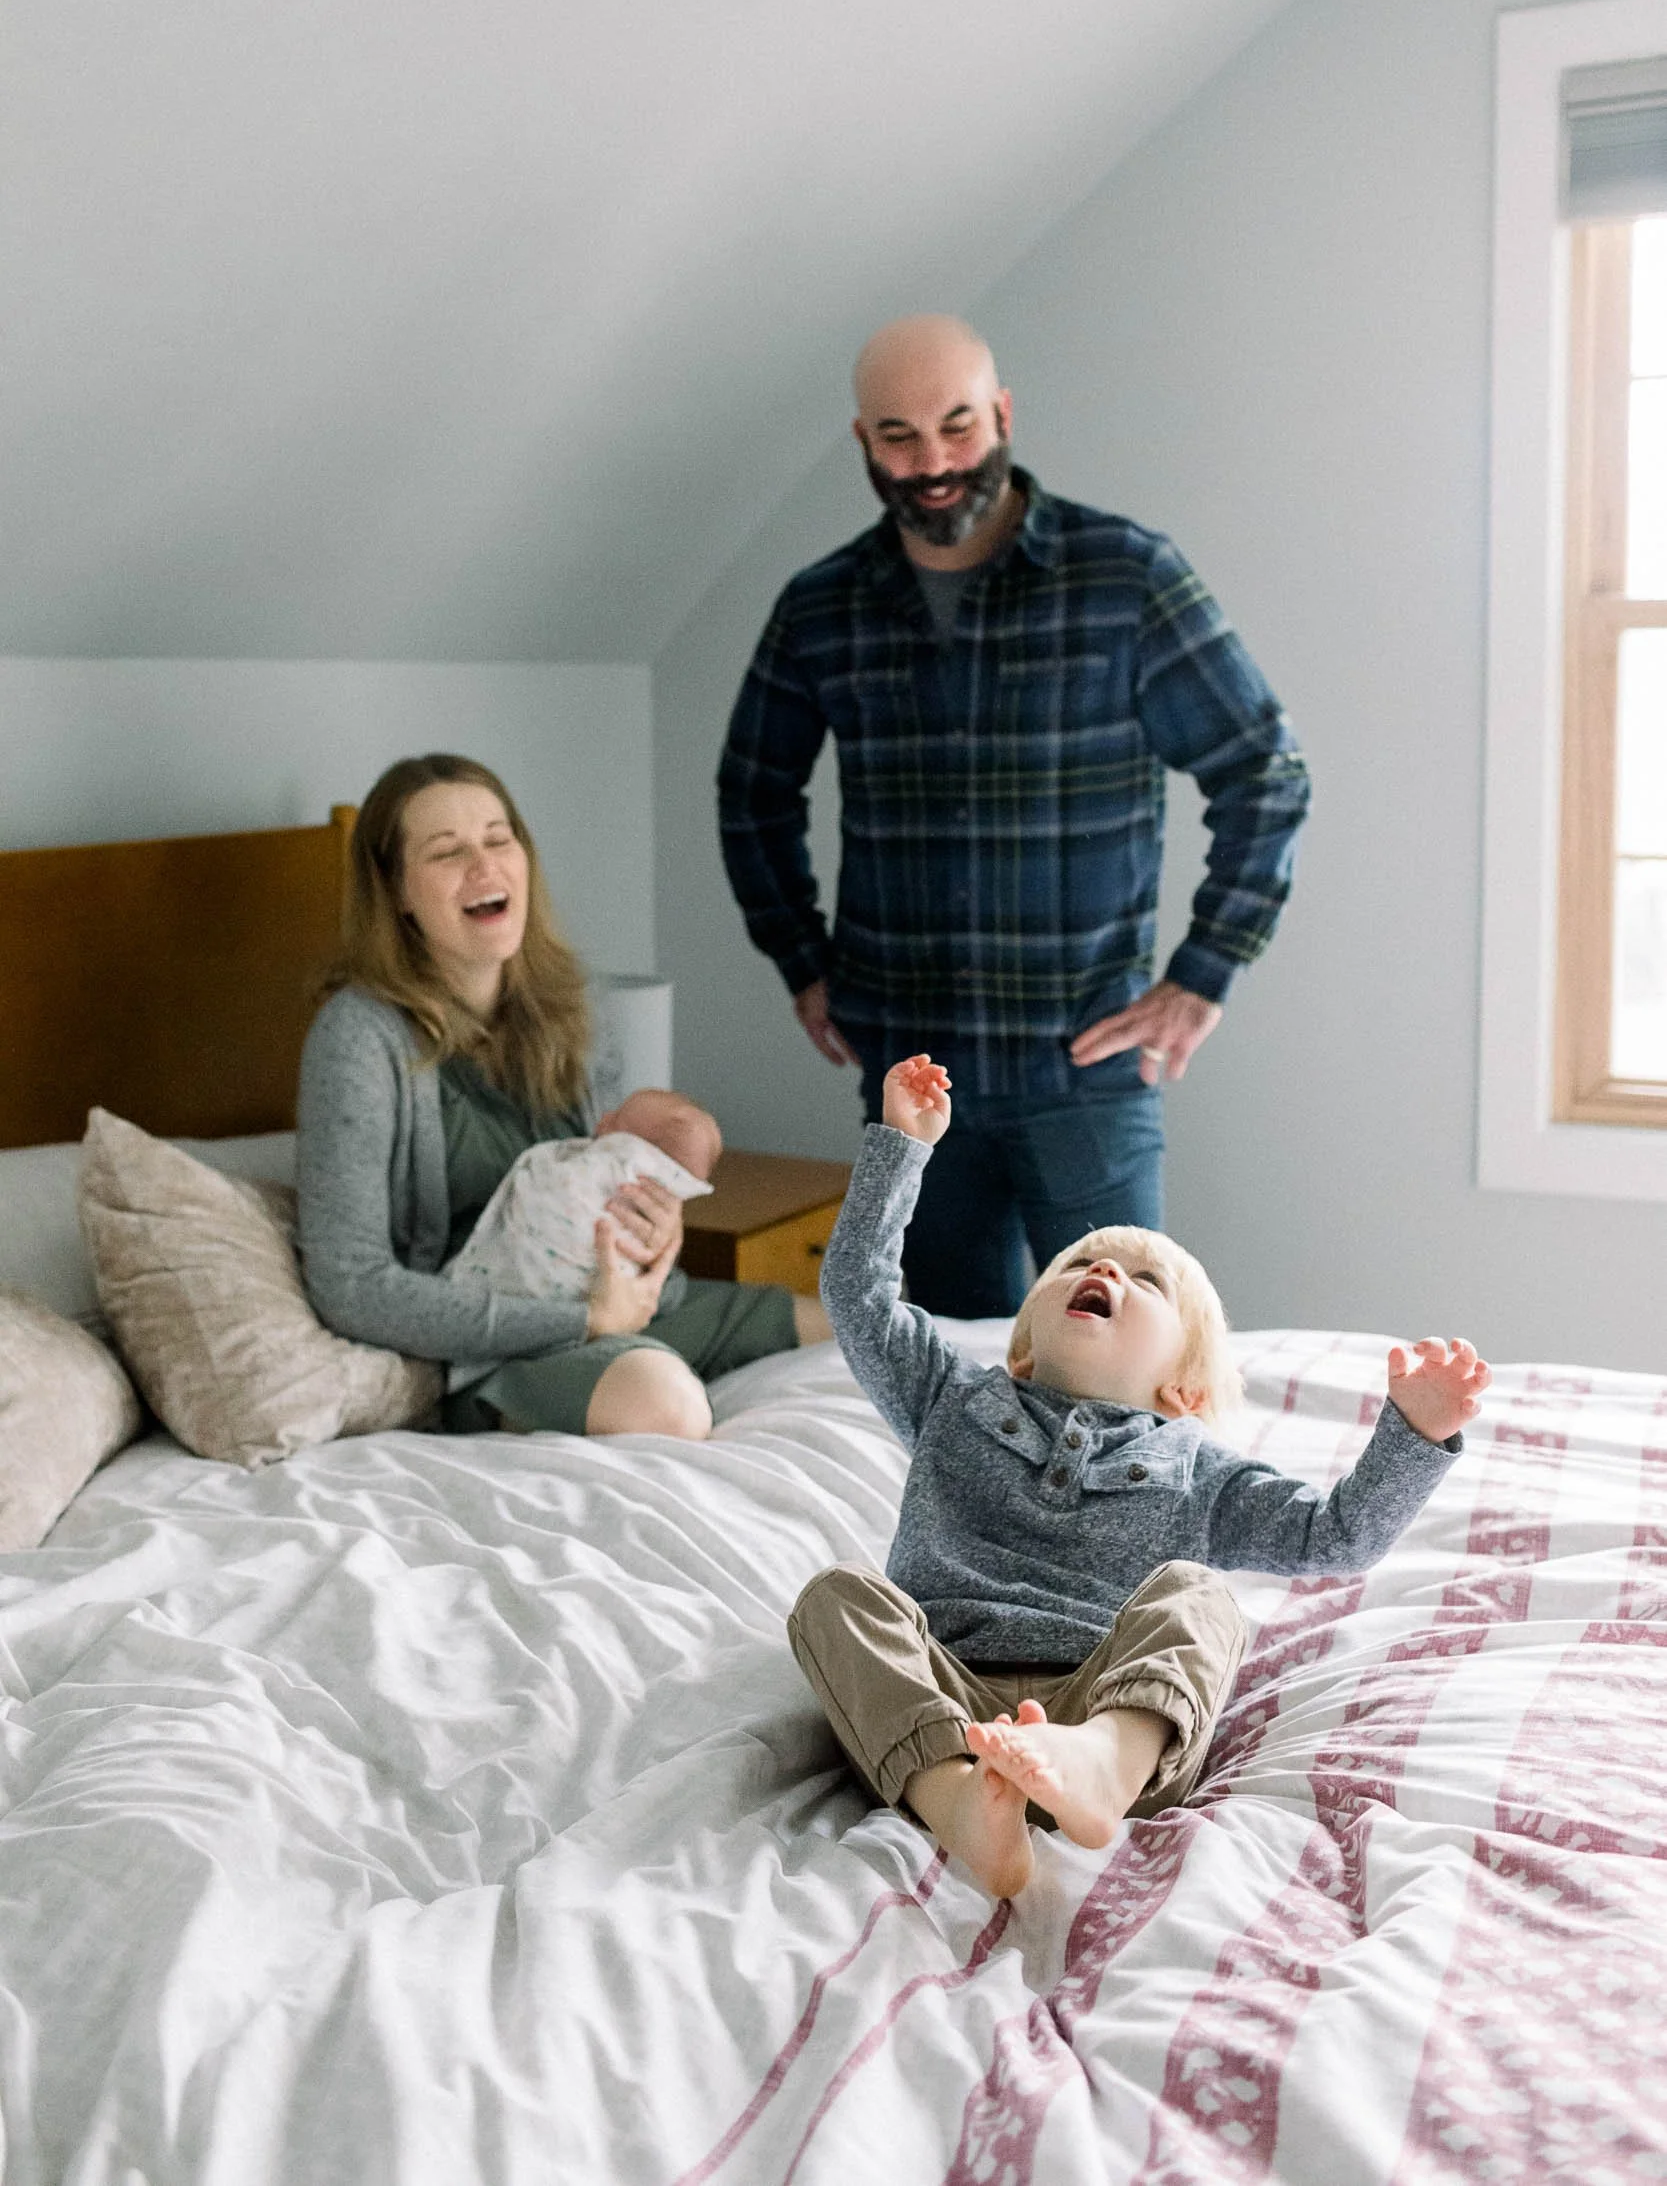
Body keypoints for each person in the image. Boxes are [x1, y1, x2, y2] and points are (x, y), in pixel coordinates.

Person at [718, 314, 1312, 1316]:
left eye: (956, 427)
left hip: (1082, 1073)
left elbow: (1262, 769)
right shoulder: (822, 606)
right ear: (862, 442)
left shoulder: (1124, 577)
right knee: (943, 1381)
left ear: (1000, 415)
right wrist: (800, 959)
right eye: (899, 437)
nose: (934, 463)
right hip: (909, 1084)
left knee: (1121, 1374)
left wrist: (1201, 976)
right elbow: (752, 790)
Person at [789, 1054, 1488, 1898]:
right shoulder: (951, 1398)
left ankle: (1098, 1767)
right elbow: (858, 1292)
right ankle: (959, 1803)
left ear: (1183, 1390)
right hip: (946, 1698)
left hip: (1108, 1697)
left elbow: (1337, 1535)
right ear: (1018, 1349)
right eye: (1073, 1266)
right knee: (836, 1597)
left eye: (1144, 1280)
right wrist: (903, 1147)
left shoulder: (1197, 1469)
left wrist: (1413, 1431)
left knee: (1196, 1593)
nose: (1103, 1272)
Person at [296, 754, 829, 1439]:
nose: (484, 867)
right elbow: (351, 1286)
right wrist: (583, 1323)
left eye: (497, 838)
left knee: (853, 1329)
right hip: (488, 1353)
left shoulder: (567, 1008)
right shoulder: (359, 1036)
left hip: (616, 1310)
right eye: (446, 852)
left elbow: (612, 1190)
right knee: (664, 1402)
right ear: (395, 890)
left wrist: (654, 1236)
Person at [446, 1087, 720, 1301]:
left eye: (616, 1120)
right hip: (526, 1314)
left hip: (616, 1302)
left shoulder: (617, 1171)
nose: (603, 1118)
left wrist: (663, 1252)